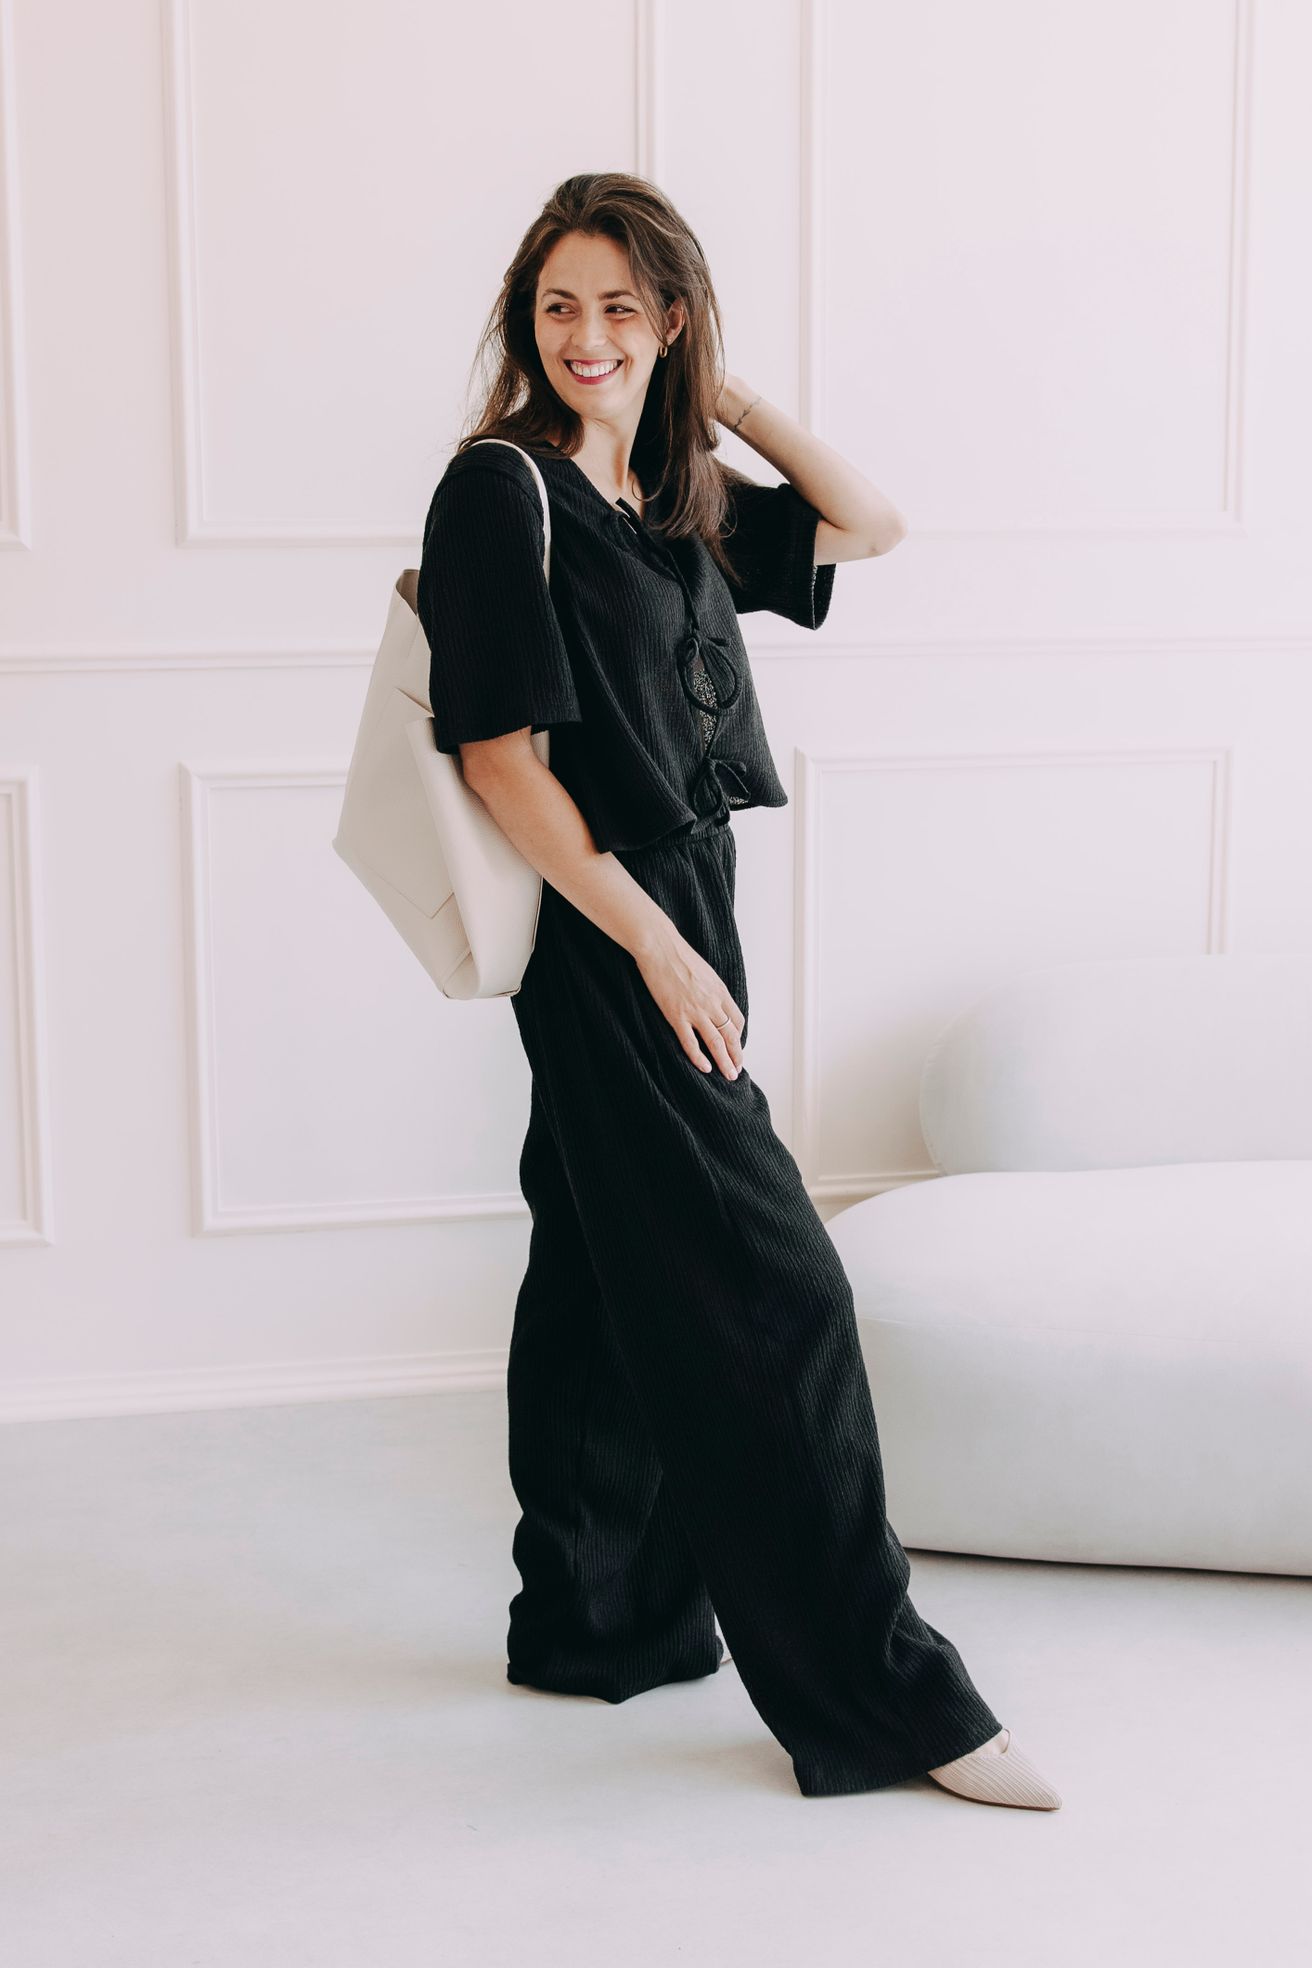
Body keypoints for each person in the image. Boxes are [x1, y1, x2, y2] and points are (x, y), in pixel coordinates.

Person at [416, 172, 1061, 1812]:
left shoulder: (668, 491)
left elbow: (868, 522)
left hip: (686, 900)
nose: (584, 336)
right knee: (779, 1294)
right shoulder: (501, 491)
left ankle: (596, 1618)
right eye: (558, 306)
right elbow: (499, 760)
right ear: (524, 319)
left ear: (672, 321)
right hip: (611, 922)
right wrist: (652, 945)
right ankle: (889, 1698)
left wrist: (727, 399)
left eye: (621, 308)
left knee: (598, 1255)